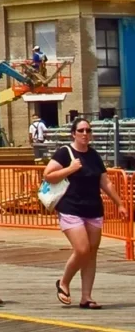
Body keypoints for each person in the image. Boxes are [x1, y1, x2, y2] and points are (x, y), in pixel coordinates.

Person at [44, 117, 128, 309]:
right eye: (81, 130)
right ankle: (64, 282)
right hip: (71, 207)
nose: (85, 134)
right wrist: (69, 169)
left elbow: (105, 182)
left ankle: (86, 297)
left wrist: (120, 204)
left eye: (88, 130)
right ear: (73, 133)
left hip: (93, 208)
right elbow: (48, 175)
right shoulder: (65, 153)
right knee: (82, 249)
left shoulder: (94, 155)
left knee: (91, 254)